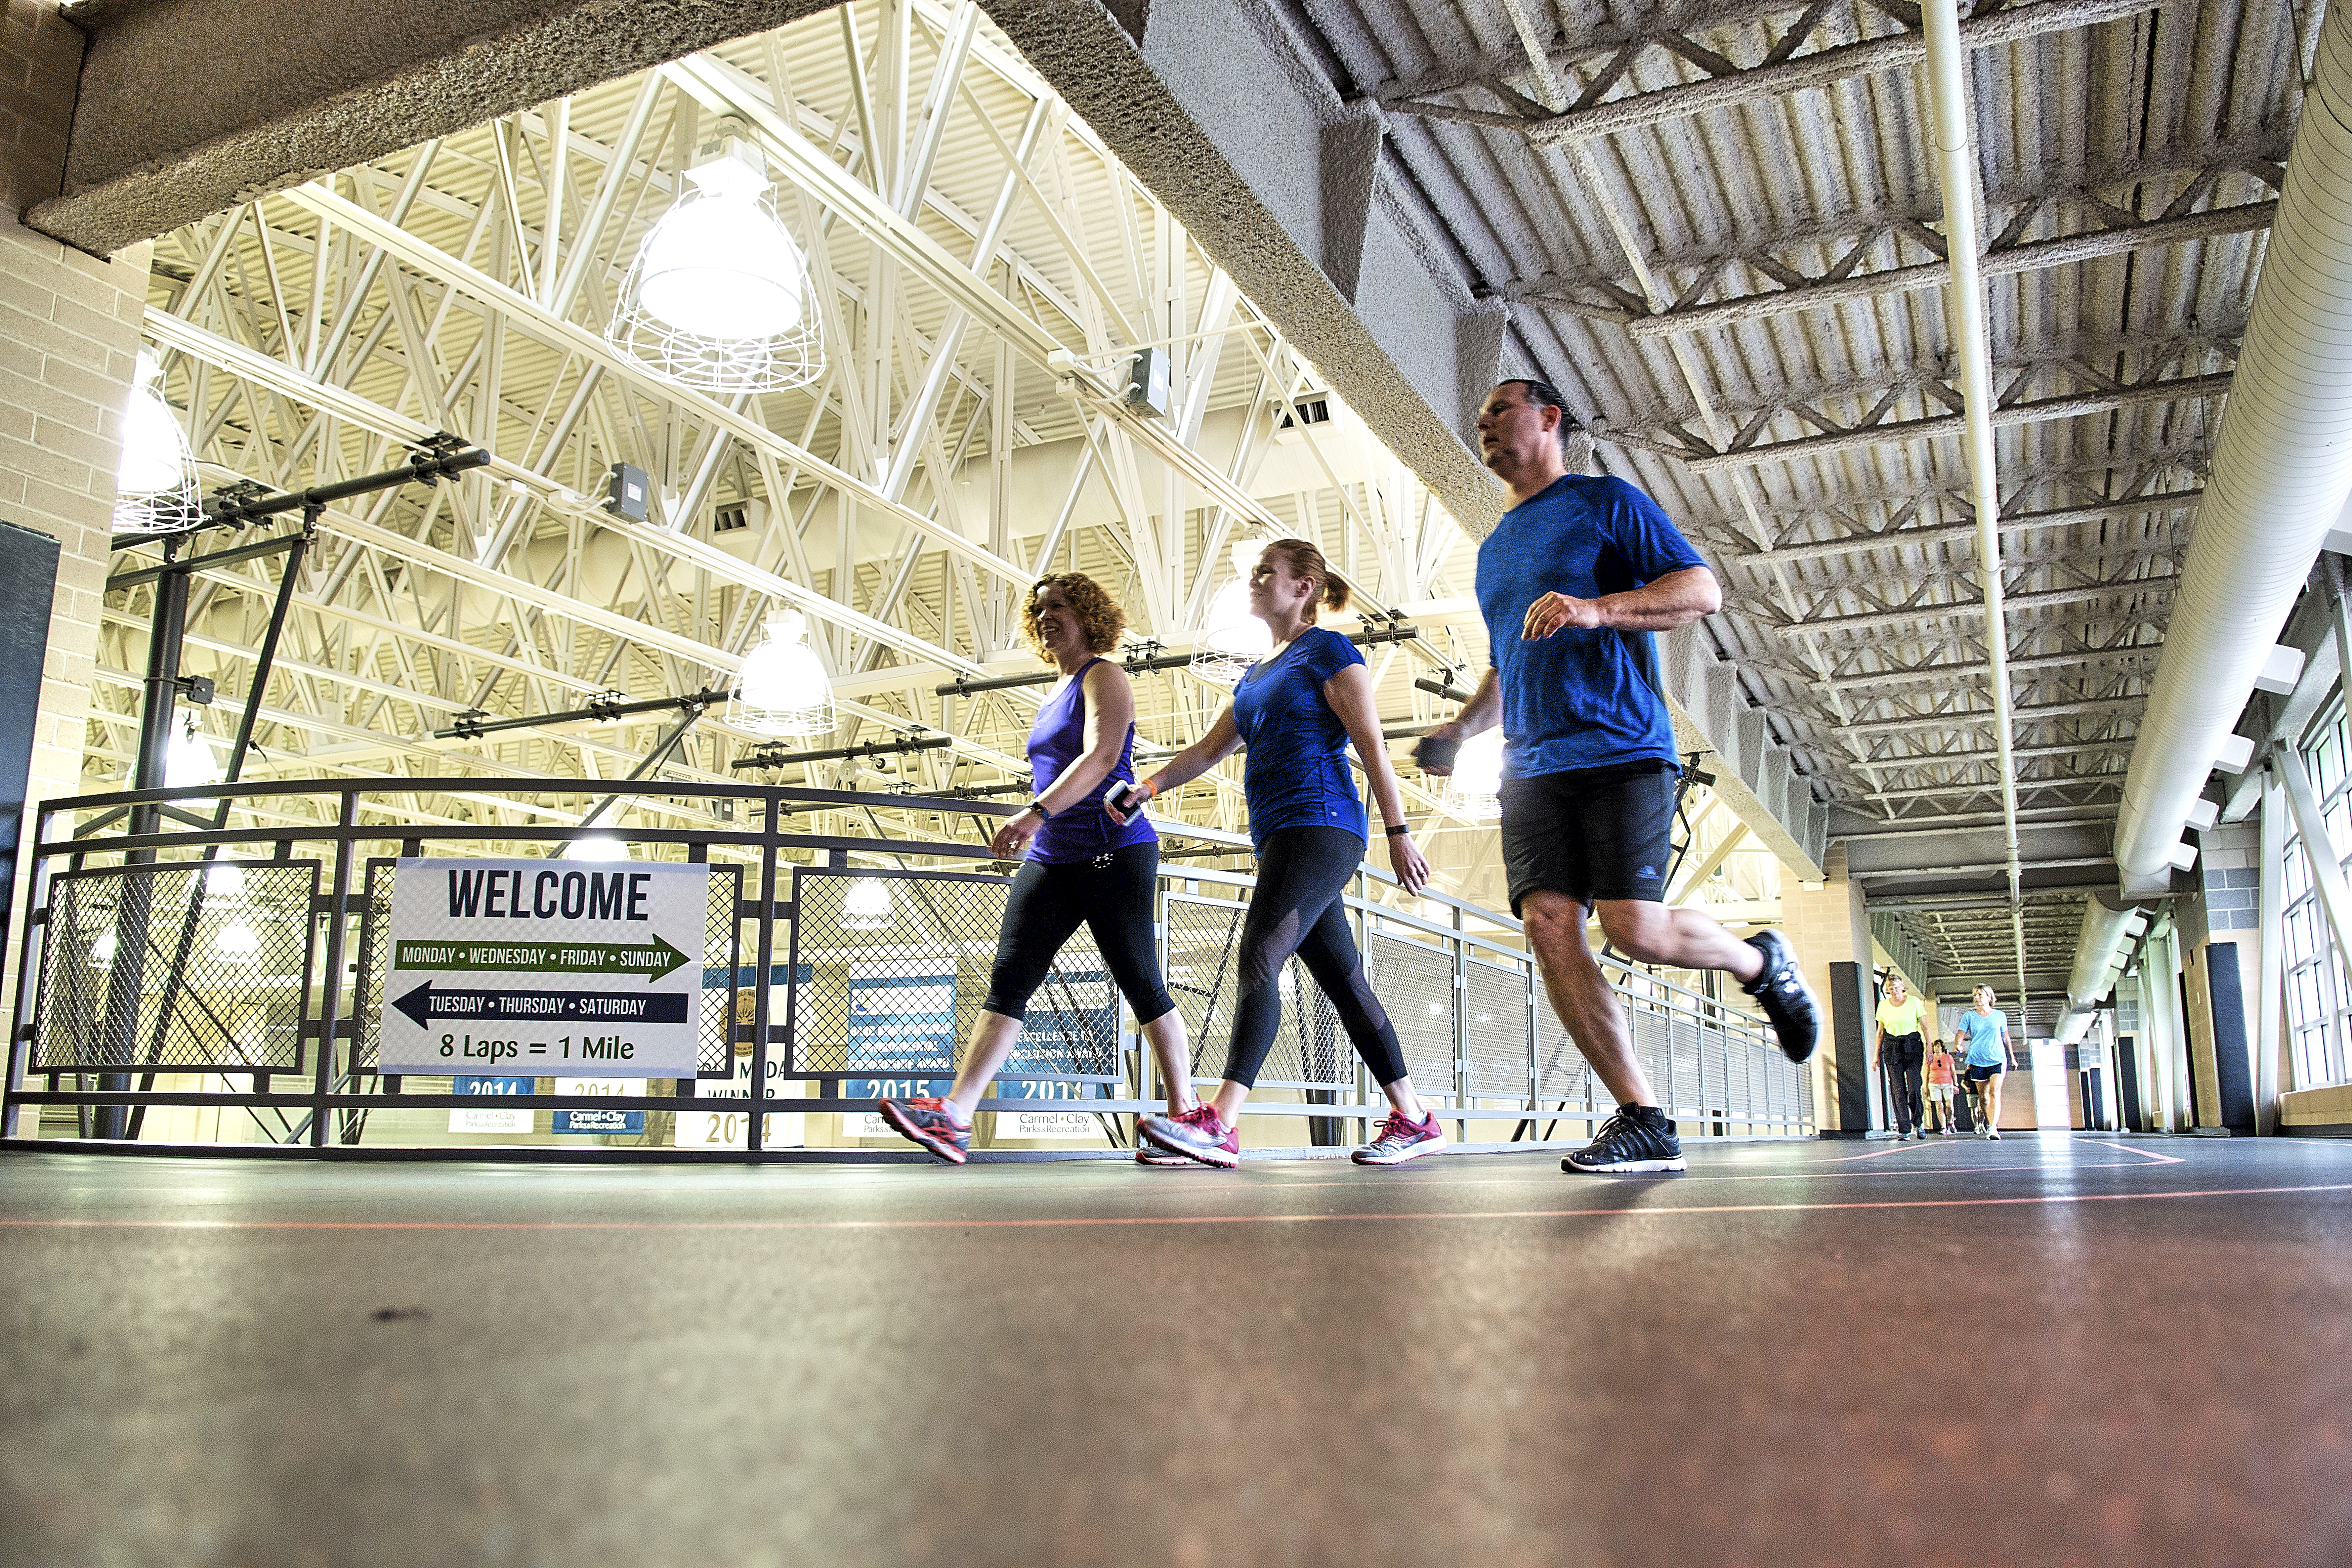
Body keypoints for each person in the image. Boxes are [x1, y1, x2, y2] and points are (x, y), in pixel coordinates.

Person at [1418, 379, 1819, 1175]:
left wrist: (1598, 608)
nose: (1485, 423)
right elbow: (1510, 662)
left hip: (1621, 748)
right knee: (1548, 924)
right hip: (1531, 765)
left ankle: (1758, 961)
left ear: (1550, 418)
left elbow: (1700, 590)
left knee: (1634, 930)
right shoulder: (1496, 550)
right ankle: (1643, 1117)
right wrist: (1461, 729)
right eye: (1481, 416)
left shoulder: (1605, 502)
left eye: (1501, 408)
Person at [1119, 537, 1445, 1168]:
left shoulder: (1329, 651)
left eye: (1267, 572)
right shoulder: (1256, 675)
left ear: (1304, 589)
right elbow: (1211, 750)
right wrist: (1151, 786)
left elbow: (1371, 741)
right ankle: (1413, 1114)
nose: (1255, 580)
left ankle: (1220, 1122)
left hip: (1321, 824)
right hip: (1280, 836)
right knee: (1344, 981)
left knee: (1259, 956)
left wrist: (1399, 831)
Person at [878, 575, 1198, 1166]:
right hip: (1055, 855)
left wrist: (1035, 811)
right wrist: (1042, 824)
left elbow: (1102, 755)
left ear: (1089, 616)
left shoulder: (1105, 675)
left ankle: (1189, 1120)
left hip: (1111, 848)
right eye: (1040, 608)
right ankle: (954, 1116)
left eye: (1060, 607)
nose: (1047, 615)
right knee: (1011, 976)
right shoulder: (1055, 690)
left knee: (1139, 977)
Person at [1875, 975, 1931, 1141]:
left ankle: (1918, 1123)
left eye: (1897, 988)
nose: (1894, 991)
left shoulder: (1914, 1002)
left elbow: (1926, 1027)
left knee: (1914, 1086)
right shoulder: (1884, 1006)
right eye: (1891, 989)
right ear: (1888, 990)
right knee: (1898, 1089)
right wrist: (1876, 1056)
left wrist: (1929, 1049)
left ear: (1903, 987)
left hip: (1912, 1045)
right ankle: (1904, 1129)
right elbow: (1880, 1032)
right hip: (1892, 1046)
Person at [1957, 986, 2016, 1139]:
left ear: (1990, 998)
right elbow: (1961, 1034)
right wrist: (1958, 1044)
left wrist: (2013, 1057)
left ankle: (1993, 1129)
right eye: (1975, 995)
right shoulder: (1969, 1016)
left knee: (1995, 1092)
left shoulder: (2000, 1016)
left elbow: (2006, 1038)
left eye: (1980, 994)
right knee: (1983, 1098)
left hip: (1997, 1059)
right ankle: (1989, 1123)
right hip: (1977, 1059)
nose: (1977, 997)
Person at [1924, 1034, 1958, 1134]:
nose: (1937, 1048)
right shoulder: (1931, 1058)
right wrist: (1926, 1087)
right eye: (1935, 1046)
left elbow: (1953, 1071)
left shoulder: (1948, 1057)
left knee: (1949, 1106)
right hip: (1934, 1084)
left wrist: (1956, 1084)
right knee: (1939, 1106)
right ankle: (1943, 1127)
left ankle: (1950, 1121)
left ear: (1942, 1047)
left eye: (1939, 1046)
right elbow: (1927, 1074)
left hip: (1948, 1083)